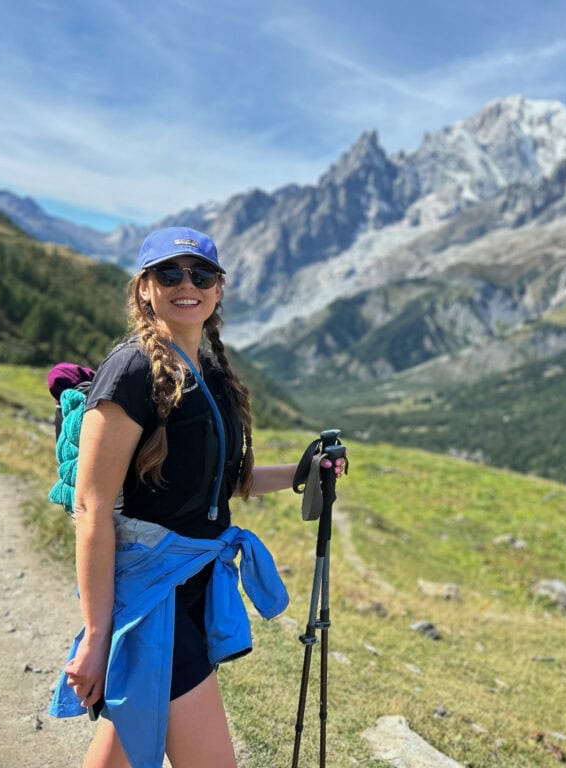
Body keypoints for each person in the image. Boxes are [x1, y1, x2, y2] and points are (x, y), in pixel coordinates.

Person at [48, 226, 346, 768]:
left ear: (218, 290)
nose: (187, 285)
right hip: (149, 595)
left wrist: (305, 472)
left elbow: (223, 482)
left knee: (124, 741)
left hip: (191, 585)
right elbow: (92, 506)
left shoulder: (210, 374)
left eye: (202, 274)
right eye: (170, 273)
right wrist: (96, 635)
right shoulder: (132, 371)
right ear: (145, 287)